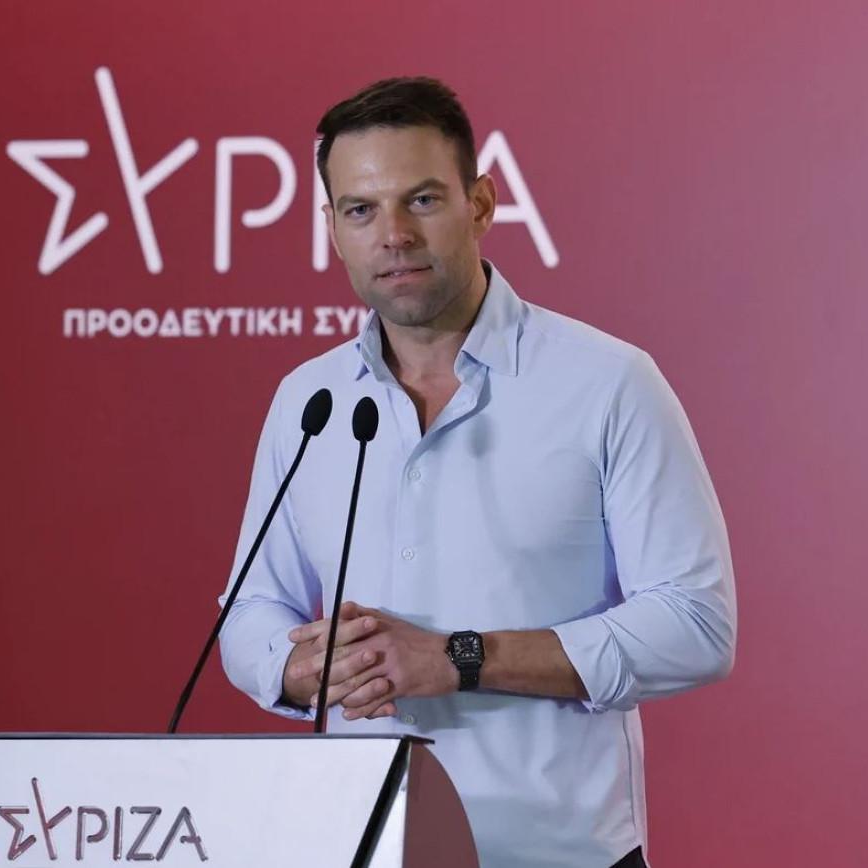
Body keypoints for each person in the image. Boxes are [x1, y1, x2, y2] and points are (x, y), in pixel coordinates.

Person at [218, 77, 737, 868]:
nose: (393, 235)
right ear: (332, 230)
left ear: (481, 204)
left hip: (556, 855)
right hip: (358, 844)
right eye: (360, 210)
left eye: (422, 200)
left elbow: (695, 625)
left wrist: (459, 657)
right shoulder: (308, 401)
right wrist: (297, 666)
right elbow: (252, 607)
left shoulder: (609, 383)